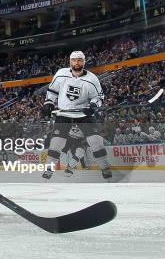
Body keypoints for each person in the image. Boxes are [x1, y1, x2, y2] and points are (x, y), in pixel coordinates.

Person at [41, 51, 112, 180]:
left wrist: (93, 106)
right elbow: (52, 91)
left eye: (79, 60)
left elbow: (99, 97)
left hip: (84, 115)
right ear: (70, 61)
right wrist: (49, 103)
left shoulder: (92, 79)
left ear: (84, 62)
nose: (77, 63)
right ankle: (48, 170)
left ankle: (105, 168)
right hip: (64, 114)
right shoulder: (61, 74)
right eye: (74, 60)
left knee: (95, 141)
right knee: (56, 143)